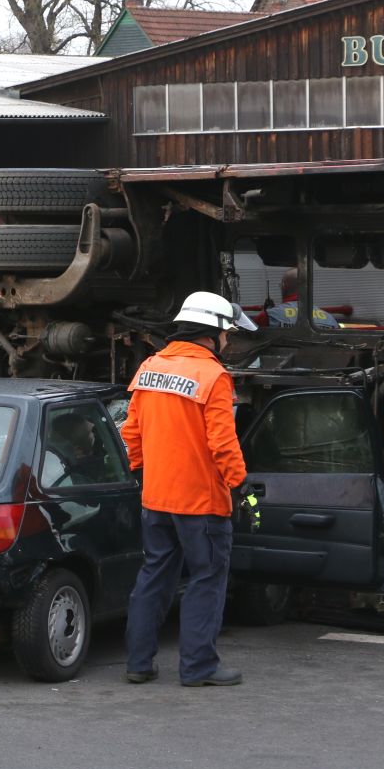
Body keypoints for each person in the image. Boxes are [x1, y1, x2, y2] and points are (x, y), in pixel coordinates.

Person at [121, 291, 257, 687]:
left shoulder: (150, 368)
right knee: (207, 579)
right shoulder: (213, 377)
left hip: (156, 499)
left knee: (153, 577)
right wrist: (240, 485)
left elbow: (131, 433)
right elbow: (223, 443)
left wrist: (142, 473)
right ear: (210, 333)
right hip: (202, 504)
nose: (228, 341)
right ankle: (199, 667)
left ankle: (138, 664)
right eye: (227, 333)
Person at [262, 268, 340, 329]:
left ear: (283, 285)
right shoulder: (330, 319)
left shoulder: (269, 316)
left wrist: (267, 311)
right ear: (308, 288)